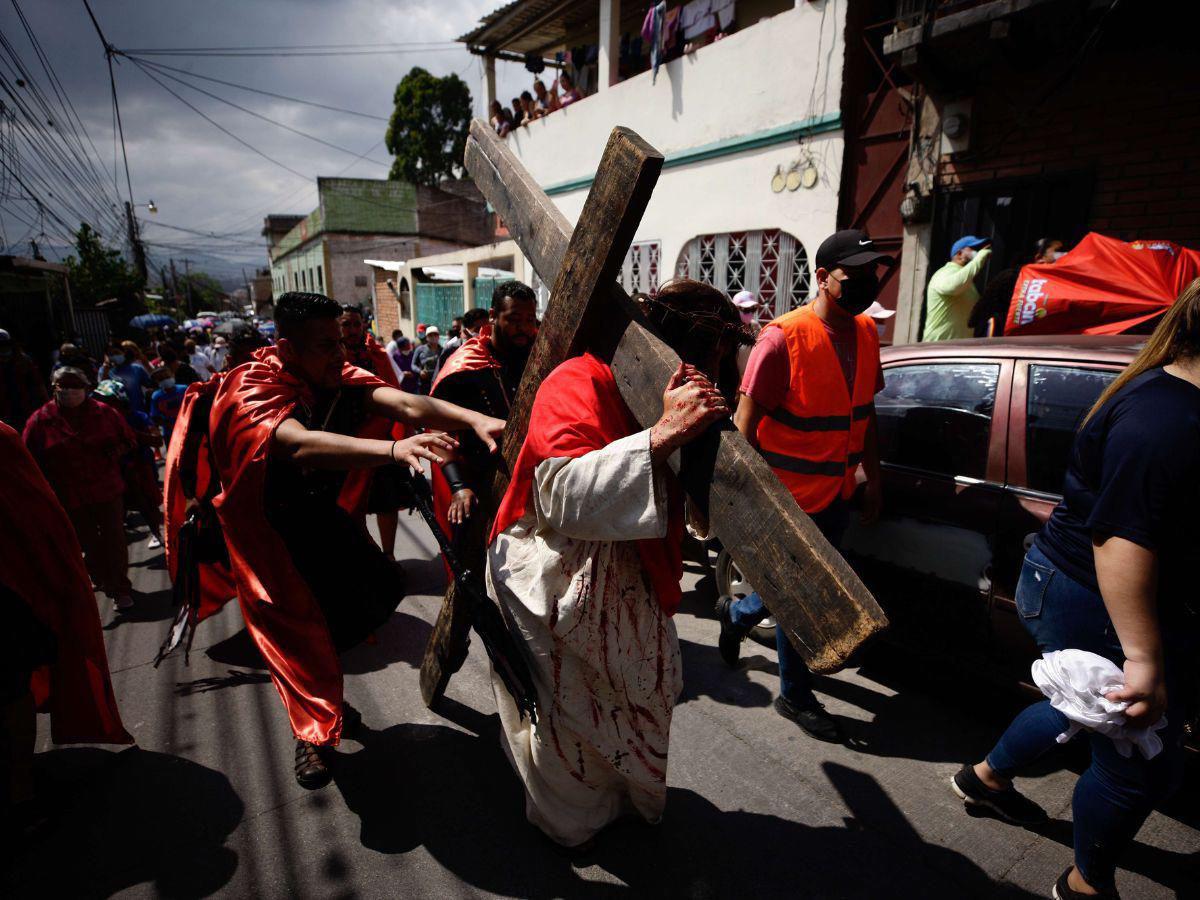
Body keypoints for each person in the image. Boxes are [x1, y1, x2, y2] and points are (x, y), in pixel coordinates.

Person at [953, 279, 1200, 900]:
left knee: (1076, 707)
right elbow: (1121, 540)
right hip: (1096, 598)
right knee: (1140, 764)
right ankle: (1086, 883)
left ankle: (985, 780)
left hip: (1093, 591)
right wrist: (1144, 660)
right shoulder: (1165, 420)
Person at [205, 291, 504, 789]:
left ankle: (322, 692)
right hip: (269, 536)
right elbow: (297, 445)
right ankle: (312, 736)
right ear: (287, 348)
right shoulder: (251, 386)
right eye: (326, 346)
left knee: (377, 591)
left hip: (320, 519)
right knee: (298, 637)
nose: (342, 356)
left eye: (343, 342)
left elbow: (405, 401)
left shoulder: (332, 372)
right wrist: (393, 448)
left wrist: (471, 419)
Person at [486, 279, 745, 848]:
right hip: (551, 563)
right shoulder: (577, 379)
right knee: (574, 708)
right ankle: (572, 820)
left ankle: (627, 799)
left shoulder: (672, 393)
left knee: (645, 689)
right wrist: (660, 436)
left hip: (630, 574)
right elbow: (562, 498)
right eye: (713, 356)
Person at [717, 229, 891, 743]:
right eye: (851, 277)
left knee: (796, 592)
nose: (864, 284)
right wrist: (750, 504)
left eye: (871, 275)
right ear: (821, 277)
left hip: (837, 493)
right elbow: (743, 427)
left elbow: (867, 412)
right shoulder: (781, 338)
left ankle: (738, 614)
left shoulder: (865, 332)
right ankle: (795, 696)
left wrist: (873, 479)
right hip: (787, 501)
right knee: (803, 599)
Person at [1, 422, 132, 834]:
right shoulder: (39, 420)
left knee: (7, 687)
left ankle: (19, 786)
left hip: (8, 588)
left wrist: (59, 584)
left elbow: (37, 518)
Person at [22, 367, 136, 612]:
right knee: (87, 545)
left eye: (76, 386)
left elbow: (128, 439)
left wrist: (115, 451)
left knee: (114, 539)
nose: (70, 391)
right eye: (65, 386)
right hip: (69, 496)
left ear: (86, 388)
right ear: (55, 388)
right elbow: (27, 460)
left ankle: (121, 588)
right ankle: (104, 580)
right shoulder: (39, 421)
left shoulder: (105, 413)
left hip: (106, 490)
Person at [430, 285, 538, 543]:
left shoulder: (538, 352)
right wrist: (458, 486)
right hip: (479, 480)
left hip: (533, 475)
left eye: (529, 320)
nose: (523, 327)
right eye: (514, 319)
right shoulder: (464, 365)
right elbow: (438, 426)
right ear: (493, 316)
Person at [339, 304, 408, 559]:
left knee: (386, 503)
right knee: (348, 506)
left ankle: (388, 555)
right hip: (343, 444)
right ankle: (361, 558)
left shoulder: (376, 355)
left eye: (357, 324)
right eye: (347, 324)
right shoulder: (330, 357)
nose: (353, 330)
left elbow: (396, 392)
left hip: (381, 441)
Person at [94, 379, 165, 549]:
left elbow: (157, 440)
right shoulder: (97, 422)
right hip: (114, 471)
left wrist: (130, 434)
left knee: (147, 504)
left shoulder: (138, 417)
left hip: (141, 467)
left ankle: (158, 533)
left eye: (107, 401)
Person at [970, 237, 1064, 338]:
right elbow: (980, 315)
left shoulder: (1056, 283)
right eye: (1057, 251)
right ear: (1039, 259)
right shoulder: (1011, 278)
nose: (1063, 255)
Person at [922, 235, 992, 342]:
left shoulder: (969, 283)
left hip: (959, 350)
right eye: (975, 249)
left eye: (980, 249)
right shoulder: (944, 273)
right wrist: (979, 259)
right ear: (959, 254)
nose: (979, 251)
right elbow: (953, 287)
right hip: (937, 349)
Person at [0, 328, 48, 431]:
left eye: (5, 345)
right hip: (5, 414)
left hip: (25, 409)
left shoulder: (23, 361)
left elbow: (39, 384)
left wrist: (44, 405)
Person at [99, 341, 153, 417]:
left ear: (123, 352)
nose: (114, 356)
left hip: (139, 413)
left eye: (116, 352)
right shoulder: (103, 371)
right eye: (111, 354)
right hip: (118, 416)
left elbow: (150, 385)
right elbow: (102, 392)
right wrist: (105, 372)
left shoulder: (136, 369)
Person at [435, 307, 489, 378]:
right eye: (478, 329)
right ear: (466, 331)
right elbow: (437, 378)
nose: (483, 332)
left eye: (486, 328)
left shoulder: (491, 349)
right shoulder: (451, 350)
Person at [150, 365, 188, 447]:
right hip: (170, 433)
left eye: (167, 377)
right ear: (157, 382)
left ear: (172, 375)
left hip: (188, 428)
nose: (165, 380)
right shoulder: (156, 396)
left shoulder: (184, 389)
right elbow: (155, 417)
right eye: (161, 379)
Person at [731, 290, 762, 378]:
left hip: (748, 376)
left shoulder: (755, 326)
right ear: (735, 309)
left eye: (753, 309)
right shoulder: (730, 328)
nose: (750, 313)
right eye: (746, 310)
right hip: (731, 377)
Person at [411, 325, 442, 394]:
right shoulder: (420, 349)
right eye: (430, 335)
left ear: (438, 336)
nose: (433, 337)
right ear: (427, 337)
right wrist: (420, 371)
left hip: (438, 383)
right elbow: (413, 365)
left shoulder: (443, 350)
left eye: (435, 334)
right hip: (424, 384)